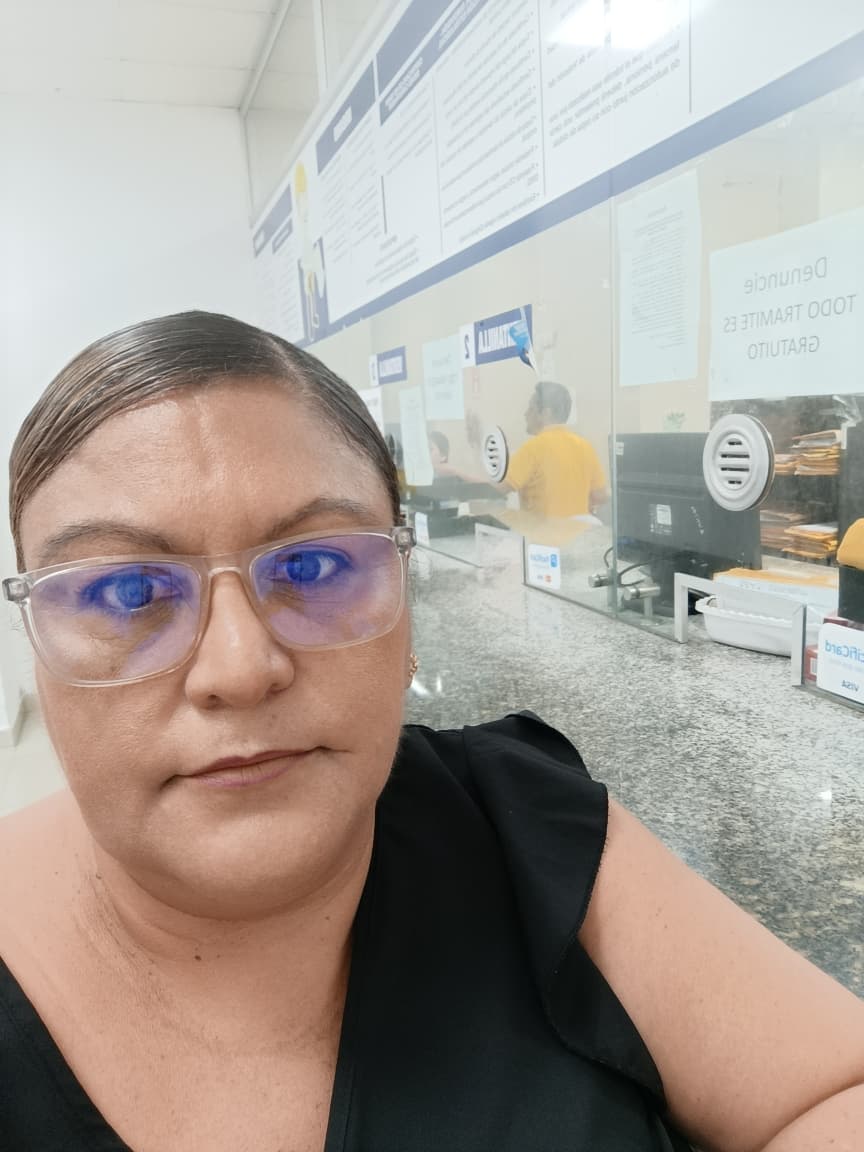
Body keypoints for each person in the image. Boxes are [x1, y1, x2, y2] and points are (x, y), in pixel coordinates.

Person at [1, 312, 862, 1152]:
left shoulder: (521, 829)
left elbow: (832, 1092)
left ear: (405, 596)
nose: (239, 667)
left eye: (312, 565)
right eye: (127, 593)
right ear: (32, 638)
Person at [505, 380, 609, 518]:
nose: (525, 414)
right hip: (578, 530)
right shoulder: (585, 446)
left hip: (542, 530)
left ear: (546, 414)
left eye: (531, 408)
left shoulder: (533, 448)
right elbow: (600, 495)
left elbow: (502, 487)